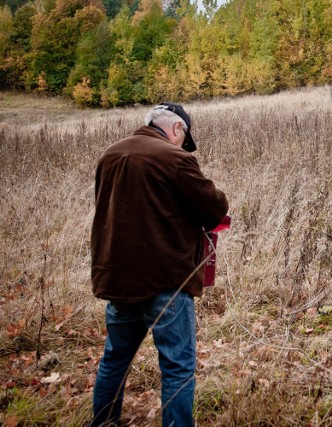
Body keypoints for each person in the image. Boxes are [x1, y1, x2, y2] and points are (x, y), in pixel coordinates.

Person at [90, 102, 229, 427]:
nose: (183, 146)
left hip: (118, 281)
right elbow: (214, 209)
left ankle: (103, 423)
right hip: (166, 281)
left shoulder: (109, 155)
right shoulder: (174, 159)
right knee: (178, 366)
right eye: (184, 139)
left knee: (115, 360)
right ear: (177, 128)